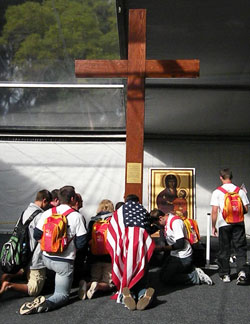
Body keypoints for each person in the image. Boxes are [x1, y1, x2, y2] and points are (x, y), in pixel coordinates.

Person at [19, 185, 88, 315]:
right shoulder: (76, 216)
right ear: (73, 198)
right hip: (64, 261)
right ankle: (43, 305)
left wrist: (49, 245)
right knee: (61, 295)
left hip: (46, 258)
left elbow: (37, 235)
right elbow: (82, 243)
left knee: (53, 276)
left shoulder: (48, 213)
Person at [107, 194, 155, 311]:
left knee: (127, 268)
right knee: (142, 270)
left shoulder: (120, 211)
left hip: (126, 244)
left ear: (125, 200)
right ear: (138, 201)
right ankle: (143, 293)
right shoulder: (143, 210)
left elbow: (113, 229)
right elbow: (148, 228)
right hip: (142, 243)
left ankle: (129, 293)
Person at [0, 189, 52, 297]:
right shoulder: (41, 216)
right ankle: (9, 285)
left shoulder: (26, 211)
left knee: (25, 269)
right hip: (34, 258)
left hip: (22, 253)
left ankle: (9, 275)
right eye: (48, 204)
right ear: (44, 200)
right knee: (34, 289)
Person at [150, 209, 213, 286]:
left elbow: (180, 244)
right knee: (161, 275)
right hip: (174, 254)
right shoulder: (165, 221)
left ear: (160, 218)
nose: (159, 226)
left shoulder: (176, 223)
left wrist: (162, 248)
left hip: (183, 256)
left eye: (158, 223)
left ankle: (196, 276)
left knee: (166, 279)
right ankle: (189, 269)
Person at [210, 168, 249, 284]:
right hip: (238, 223)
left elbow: (214, 211)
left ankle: (225, 274)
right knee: (240, 248)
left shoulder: (217, 192)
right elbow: (246, 209)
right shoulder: (240, 191)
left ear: (221, 177)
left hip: (224, 224)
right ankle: (242, 272)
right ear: (231, 177)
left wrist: (213, 226)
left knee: (224, 249)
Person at [78, 199, 115, 300]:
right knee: (108, 282)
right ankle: (97, 286)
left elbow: (89, 238)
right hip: (109, 257)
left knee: (95, 277)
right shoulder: (113, 220)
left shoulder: (93, 221)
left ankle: (88, 284)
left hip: (94, 256)